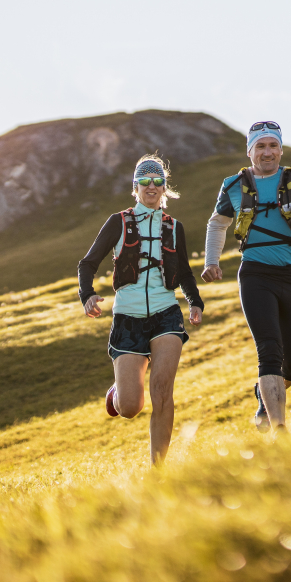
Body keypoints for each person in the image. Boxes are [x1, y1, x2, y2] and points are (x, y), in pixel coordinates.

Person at [202, 121, 291, 433]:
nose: (267, 152)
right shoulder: (234, 184)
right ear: (250, 151)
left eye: (273, 145)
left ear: (281, 149)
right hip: (255, 275)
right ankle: (279, 429)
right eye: (260, 146)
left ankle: (264, 398)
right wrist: (211, 261)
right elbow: (217, 224)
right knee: (269, 350)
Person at [78, 154, 204, 464]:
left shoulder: (175, 228)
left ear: (165, 187)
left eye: (157, 180)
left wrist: (194, 302)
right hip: (128, 319)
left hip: (166, 315)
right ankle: (118, 393)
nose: (151, 185)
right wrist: (88, 296)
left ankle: (158, 472)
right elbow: (87, 264)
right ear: (136, 187)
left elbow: (185, 272)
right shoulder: (118, 221)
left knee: (162, 392)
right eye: (144, 181)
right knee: (132, 407)